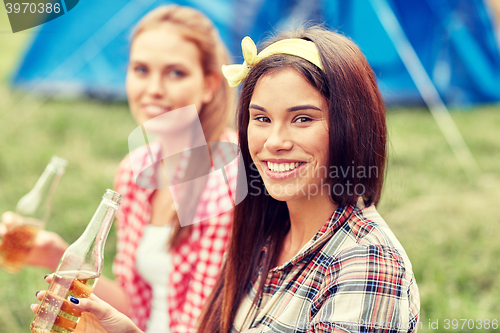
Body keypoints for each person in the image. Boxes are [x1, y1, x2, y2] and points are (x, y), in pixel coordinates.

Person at [33, 25, 420, 333]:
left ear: (351, 125)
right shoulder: (267, 232)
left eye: (303, 118)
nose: (274, 142)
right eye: (262, 118)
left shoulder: (365, 264)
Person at [26, 5, 237, 333]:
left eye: (175, 73)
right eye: (141, 69)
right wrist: (54, 255)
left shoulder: (229, 179)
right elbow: (136, 304)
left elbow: (207, 324)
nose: (153, 88)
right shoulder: (136, 170)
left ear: (209, 84)